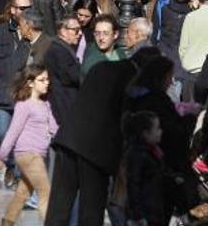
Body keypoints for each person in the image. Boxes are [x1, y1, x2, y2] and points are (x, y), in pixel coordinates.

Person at [45, 49, 141, 225]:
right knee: (91, 210)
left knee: (59, 205)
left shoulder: (101, 67)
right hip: (96, 149)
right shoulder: (131, 76)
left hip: (69, 138)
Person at [126, 55, 198, 220]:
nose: (171, 82)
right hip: (160, 181)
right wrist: (190, 118)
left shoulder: (136, 98)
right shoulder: (155, 101)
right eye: (169, 77)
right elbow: (173, 133)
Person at [0, 65, 58, 225]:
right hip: (27, 154)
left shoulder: (45, 104)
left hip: (38, 155)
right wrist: (1, 157)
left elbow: (54, 129)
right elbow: (12, 133)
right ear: (30, 83)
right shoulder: (24, 106)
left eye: (47, 79)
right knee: (45, 191)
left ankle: (7, 222)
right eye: (42, 80)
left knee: (23, 193)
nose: (47, 83)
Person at [0, 0, 33, 188]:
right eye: (22, 8)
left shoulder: (35, 32)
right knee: (2, 133)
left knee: (22, 137)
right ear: (12, 10)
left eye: (28, 8)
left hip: (25, 95)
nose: (25, 12)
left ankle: (19, 173)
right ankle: (12, 165)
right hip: (3, 92)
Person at [123, 111, 167, 226]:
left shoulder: (153, 152)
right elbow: (133, 185)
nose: (160, 131)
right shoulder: (138, 155)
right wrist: (138, 215)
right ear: (146, 133)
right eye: (157, 128)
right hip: (146, 213)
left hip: (153, 211)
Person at [43, 15, 83, 127]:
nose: (80, 33)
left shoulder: (61, 48)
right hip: (63, 103)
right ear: (63, 31)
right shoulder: (59, 51)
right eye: (76, 30)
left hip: (63, 101)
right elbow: (71, 76)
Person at [81, 14, 124, 78]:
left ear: (115, 35)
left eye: (106, 33)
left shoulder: (119, 51)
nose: (101, 38)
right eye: (97, 33)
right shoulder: (92, 63)